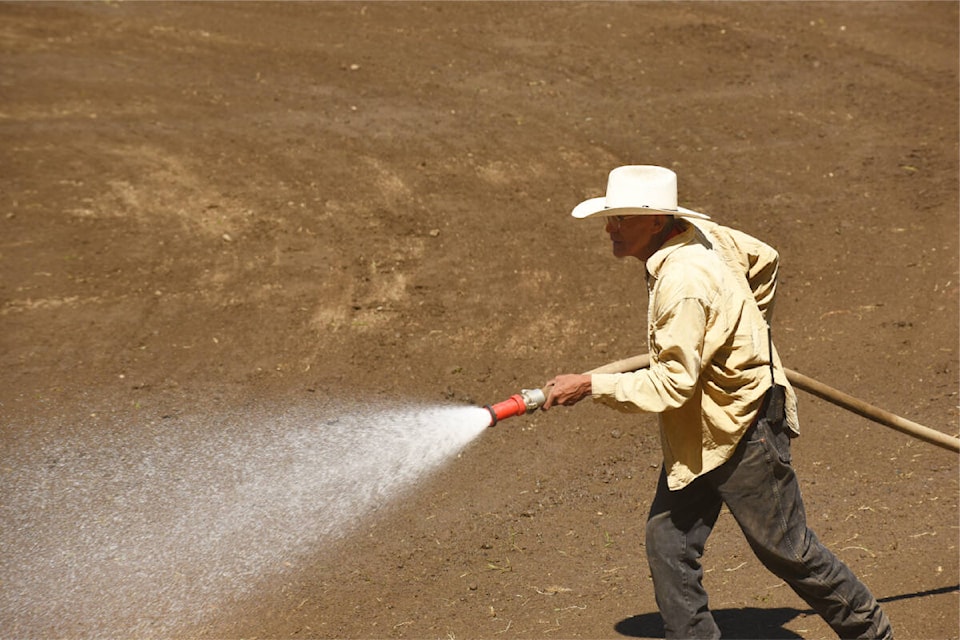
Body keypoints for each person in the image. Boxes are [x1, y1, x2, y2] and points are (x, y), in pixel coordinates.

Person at [541, 165, 892, 639]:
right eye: (611, 217)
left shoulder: (682, 283)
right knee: (669, 542)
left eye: (621, 219)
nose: (610, 228)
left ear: (657, 220)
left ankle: (871, 631)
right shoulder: (700, 235)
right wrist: (744, 329)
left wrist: (591, 386)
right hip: (700, 429)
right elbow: (764, 258)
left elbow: (670, 386)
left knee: (786, 548)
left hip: (742, 423)